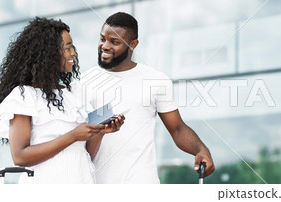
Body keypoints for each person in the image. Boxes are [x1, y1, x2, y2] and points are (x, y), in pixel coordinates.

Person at [80, 12, 215, 183]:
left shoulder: (156, 80)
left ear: (133, 44)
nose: (105, 46)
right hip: (96, 185)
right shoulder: (83, 82)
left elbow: (177, 128)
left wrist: (201, 149)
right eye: (102, 39)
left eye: (114, 42)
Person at [0, 17, 124, 184]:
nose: (73, 53)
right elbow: (20, 156)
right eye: (68, 48)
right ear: (48, 53)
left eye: (73, 47)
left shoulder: (76, 93)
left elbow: (84, 154)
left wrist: (99, 132)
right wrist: (73, 136)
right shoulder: (24, 96)